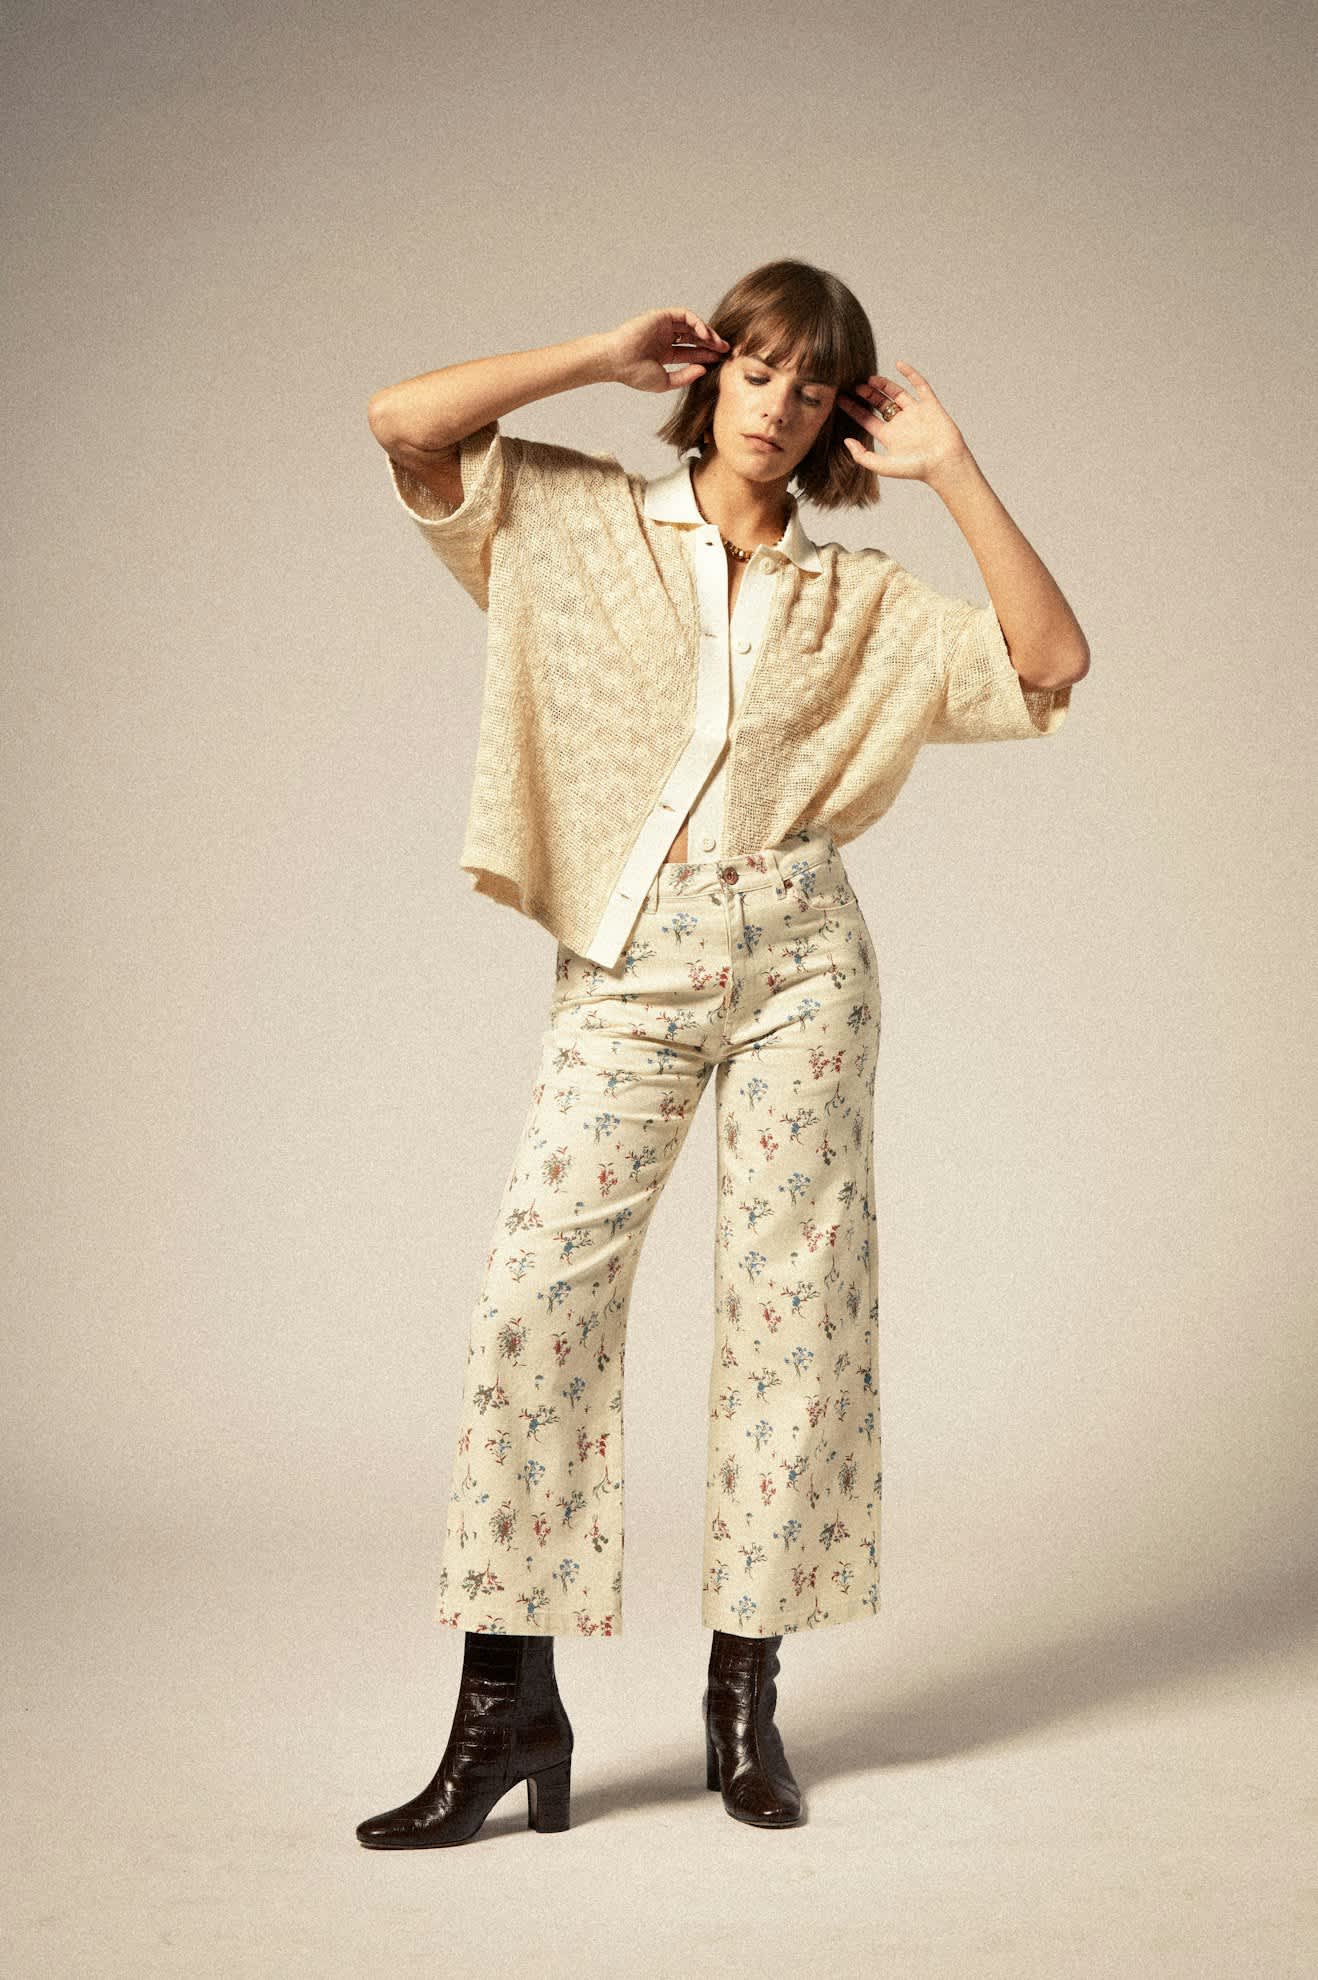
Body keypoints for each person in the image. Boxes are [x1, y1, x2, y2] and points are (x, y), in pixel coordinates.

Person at [355, 259, 1089, 1846]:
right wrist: (592, 354)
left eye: (814, 385)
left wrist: (953, 469)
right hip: (628, 961)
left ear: (841, 414)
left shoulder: (855, 602)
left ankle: (743, 1700)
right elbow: (400, 421)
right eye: (758, 370)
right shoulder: (571, 521)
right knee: (534, 1301)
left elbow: (1049, 664)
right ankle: (507, 1709)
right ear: (710, 376)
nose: (779, 406)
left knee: (791, 1318)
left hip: (801, 961)